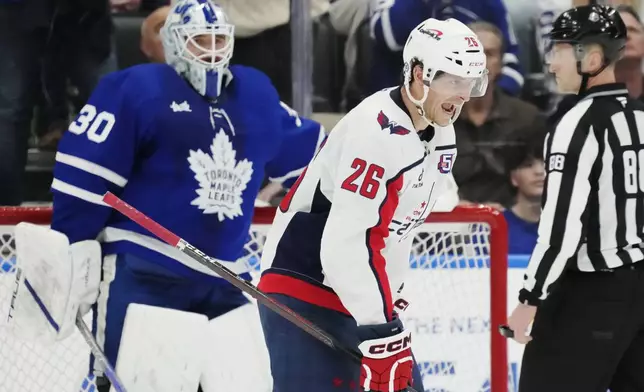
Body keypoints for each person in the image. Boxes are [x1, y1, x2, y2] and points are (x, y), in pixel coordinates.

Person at [40, 0, 324, 390]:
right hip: (147, 268)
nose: (210, 50)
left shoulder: (255, 93)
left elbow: (315, 164)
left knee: (243, 384)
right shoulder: (135, 89)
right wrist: (73, 247)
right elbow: (82, 176)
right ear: (173, 44)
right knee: (139, 383)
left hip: (226, 277)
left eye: (217, 39)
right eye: (197, 40)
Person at [258, 17, 487, 392]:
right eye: (454, 81)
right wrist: (381, 327)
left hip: (361, 301)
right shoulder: (374, 133)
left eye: (471, 83)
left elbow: (401, 223)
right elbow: (348, 243)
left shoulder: (441, 128)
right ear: (419, 74)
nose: (464, 94)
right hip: (304, 289)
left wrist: (387, 300)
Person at [505, 5, 644, 392]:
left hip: (588, 296)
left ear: (592, 57)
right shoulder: (639, 118)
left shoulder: (577, 123)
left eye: (559, 51)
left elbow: (561, 228)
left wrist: (529, 298)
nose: (551, 64)